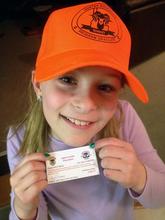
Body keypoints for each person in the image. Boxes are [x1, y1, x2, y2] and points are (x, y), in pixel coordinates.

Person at [7, 1, 165, 220]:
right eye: (67, 79)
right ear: (38, 84)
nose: (86, 104)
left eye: (104, 87)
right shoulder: (19, 139)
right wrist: (25, 208)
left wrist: (141, 177)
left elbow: (161, 198)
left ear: (119, 90)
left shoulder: (124, 117)